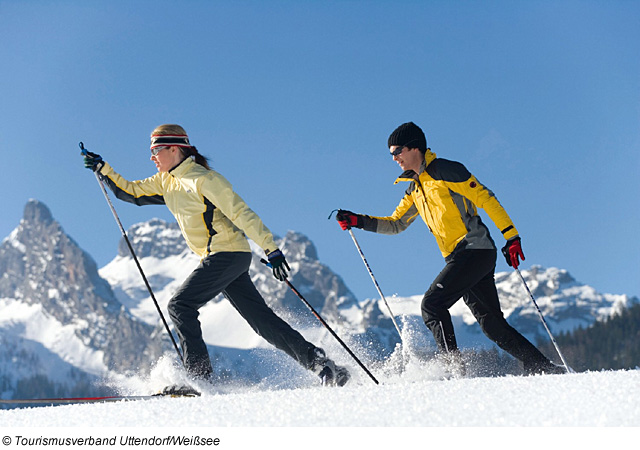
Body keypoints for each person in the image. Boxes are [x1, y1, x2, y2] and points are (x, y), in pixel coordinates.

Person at [82, 124, 349, 387]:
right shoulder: (166, 182)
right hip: (222, 257)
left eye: (156, 151)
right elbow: (131, 192)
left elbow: (241, 213)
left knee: (180, 306)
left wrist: (271, 248)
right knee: (263, 323)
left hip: (227, 253)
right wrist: (103, 169)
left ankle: (199, 381)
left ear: (174, 149)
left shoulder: (204, 179)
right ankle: (325, 366)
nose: (151, 158)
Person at [335, 122, 565, 376]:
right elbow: (396, 224)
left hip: (474, 249)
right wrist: (359, 221)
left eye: (398, 150)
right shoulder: (414, 189)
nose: (394, 157)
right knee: (493, 326)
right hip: (459, 257)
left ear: (415, 148)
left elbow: (485, 198)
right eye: (391, 153)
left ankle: (454, 369)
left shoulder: (446, 170)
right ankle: (542, 366)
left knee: (432, 304)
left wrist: (511, 236)